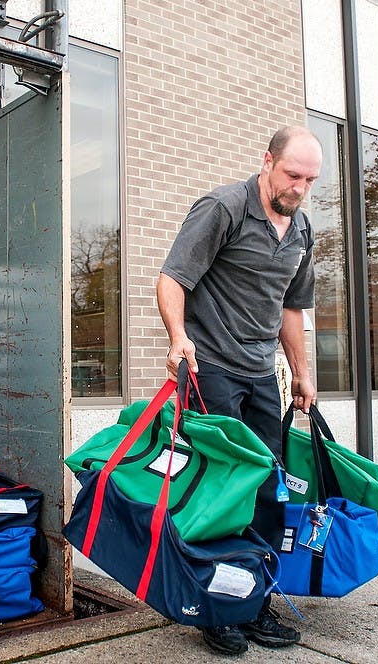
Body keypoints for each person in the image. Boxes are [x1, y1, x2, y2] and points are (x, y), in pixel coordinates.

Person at [156, 126, 322, 656]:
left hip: (259, 373)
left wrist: (300, 370)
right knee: (221, 492)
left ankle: (253, 602)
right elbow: (173, 278)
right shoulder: (223, 208)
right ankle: (214, 608)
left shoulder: (301, 230)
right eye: (292, 174)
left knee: (267, 490)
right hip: (211, 371)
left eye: (310, 180)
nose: (299, 187)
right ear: (267, 161)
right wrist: (179, 338)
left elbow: (291, 308)